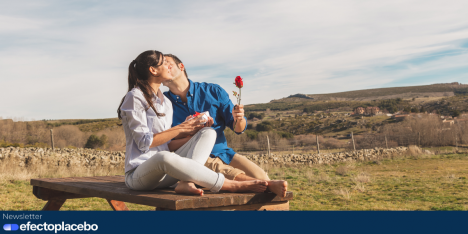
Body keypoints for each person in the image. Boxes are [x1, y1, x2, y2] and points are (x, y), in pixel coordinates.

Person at [118, 50, 268, 196]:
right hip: (149, 169)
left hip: (206, 158)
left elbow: (168, 144)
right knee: (164, 157)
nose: (167, 66)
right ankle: (230, 185)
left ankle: (187, 181)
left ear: (181, 67)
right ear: (153, 70)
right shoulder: (138, 97)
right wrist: (182, 128)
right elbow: (148, 143)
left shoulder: (165, 102)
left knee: (209, 132)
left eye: (168, 63)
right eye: (163, 63)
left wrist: (194, 132)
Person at [162, 54, 287, 197]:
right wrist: (192, 133)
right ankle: (267, 186)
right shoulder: (162, 103)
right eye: (160, 66)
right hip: (191, 156)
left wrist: (239, 119)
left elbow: (238, 128)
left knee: (261, 176)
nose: (164, 67)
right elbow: (166, 143)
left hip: (224, 153)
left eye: (167, 63)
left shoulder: (213, 92)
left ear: (181, 66)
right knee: (226, 172)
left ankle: (266, 184)